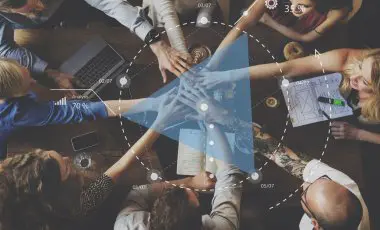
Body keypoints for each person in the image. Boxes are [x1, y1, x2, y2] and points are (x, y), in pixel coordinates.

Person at [178, 89, 369, 229]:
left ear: (314, 225)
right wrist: (225, 118)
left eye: (305, 193)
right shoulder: (345, 187)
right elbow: (284, 156)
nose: (306, 182)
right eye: (322, 179)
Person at [0, 90, 188, 230]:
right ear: (63, 191)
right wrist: (160, 123)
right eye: (67, 168)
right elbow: (118, 170)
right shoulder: (78, 207)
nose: (67, 158)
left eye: (58, 155)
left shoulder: (12, 172)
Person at [0, 0, 189, 90]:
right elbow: (6, 48)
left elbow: (109, 2)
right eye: (31, 10)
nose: (41, 8)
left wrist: (156, 44)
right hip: (42, 40)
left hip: (75, 6)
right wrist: (50, 71)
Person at [198, 48, 380, 144]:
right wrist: (223, 76)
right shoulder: (352, 61)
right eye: (360, 65)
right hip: (330, 104)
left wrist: (358, 134)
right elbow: (286, 68)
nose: (353, 76)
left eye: (364, 81)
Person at [0, 58, 165, 158]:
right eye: (29, 84)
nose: (34, 81)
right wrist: (151, 104)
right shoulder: (18, 113)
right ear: (10, 97)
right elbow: (83, 111)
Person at [114, 123, 244, 230]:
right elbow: (230, 175)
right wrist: (212, 124)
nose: (194, 192)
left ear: (153, 215)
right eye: (195, 196)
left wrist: (190, 182)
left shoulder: (127, 225)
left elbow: (138, 193)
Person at [218, 0, 352, 48]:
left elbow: (306, 38)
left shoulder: (338, 11)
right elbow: (243, 22)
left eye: (304, 6)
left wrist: (270, 22)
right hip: (276, 31)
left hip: (301, 45)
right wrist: (212, 64)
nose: (294, 8)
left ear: (323, 3)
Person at [142, 0, 228, 55]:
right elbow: (168, 14)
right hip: (162, 13)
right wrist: (182, 53)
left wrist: (202, 21)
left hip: (198, 6)